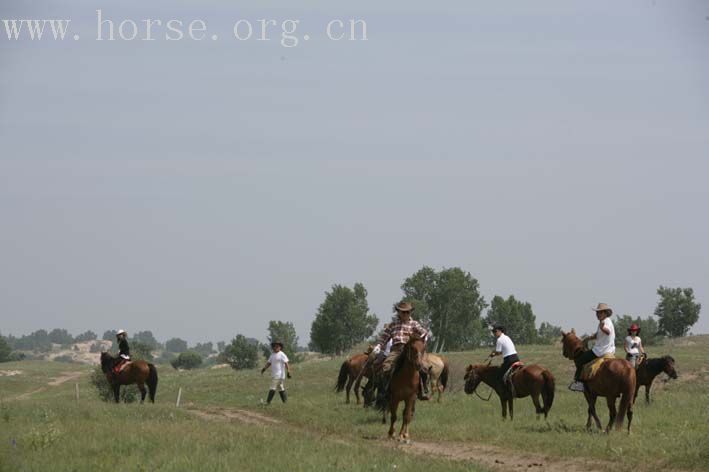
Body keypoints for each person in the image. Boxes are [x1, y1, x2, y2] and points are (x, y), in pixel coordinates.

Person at [372, 301, 429, 401]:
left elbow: (423, 332)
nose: (406, 314)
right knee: (385, 367)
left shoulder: (414, 324)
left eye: (408, 312)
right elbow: (384, 337)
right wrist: (378, 345)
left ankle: (422, 391)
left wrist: (424, 337)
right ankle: (384, 391)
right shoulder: (393, 325)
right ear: (398, 312)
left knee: (423, 368)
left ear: (410, 312)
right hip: (396, 350)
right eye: (403, 312)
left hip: (410, 351)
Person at [569, 303, 616, 392]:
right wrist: (588, 338)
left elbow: (608, 332)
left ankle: (579, 383)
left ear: (605, 313)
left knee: (580, 360)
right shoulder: (605, 321)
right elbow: (598, 335)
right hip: (609, 350)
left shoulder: (605, 322)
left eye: (600, 312)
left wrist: (603, 328)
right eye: (597, 313)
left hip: (600, 351)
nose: (598, 314)